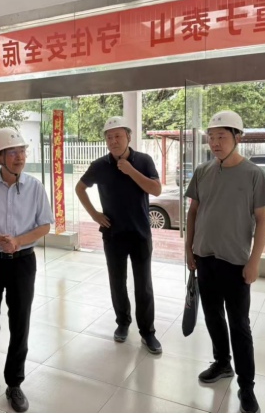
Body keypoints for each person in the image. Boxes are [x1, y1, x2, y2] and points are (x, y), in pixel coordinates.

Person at [185, 110, 265, 414]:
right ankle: (222, 363)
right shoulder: (202, 171)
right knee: (212, 315)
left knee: (239, 325)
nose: (215, 143)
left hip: (235, 262)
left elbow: (262, 220)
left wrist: (254, 261)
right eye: (211, 137)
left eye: (221, 136)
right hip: (205, 258)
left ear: (237, 138)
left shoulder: (253, 174)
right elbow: (193, 211)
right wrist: (188, 249)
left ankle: (247, 387)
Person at [0, 127, 53, 413]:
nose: (20, 157)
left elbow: (44, 225)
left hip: (23, 262)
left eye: (22, 151)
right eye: (13, 152)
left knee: (20, 322)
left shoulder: (35, 187)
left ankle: (14, 382)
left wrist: (18, 241)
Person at [75, 116, 163, 353]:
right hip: (113, 234)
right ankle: (123, 322)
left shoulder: (143, 160)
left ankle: (148, 332)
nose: (113, 141)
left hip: (140, 233)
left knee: (143, 285)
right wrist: (94, 214)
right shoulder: (99, 165)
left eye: (118, 136)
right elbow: (80, 188)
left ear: (129, 137)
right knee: (117, 282)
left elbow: (156, 189)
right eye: (109, 137)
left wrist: (131, 171)